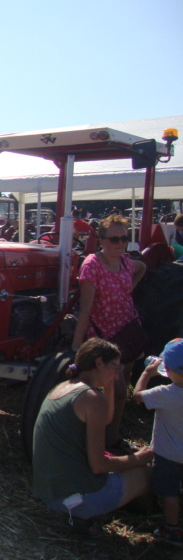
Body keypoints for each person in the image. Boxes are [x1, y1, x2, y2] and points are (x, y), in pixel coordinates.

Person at [32, 339, 153, 535]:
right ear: (98, 363)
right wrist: (138, 458)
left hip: (50, 492)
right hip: (74, 499)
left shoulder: (65, 386)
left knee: (128, 464)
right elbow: (99, 465)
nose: (117, 373)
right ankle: (157, 526)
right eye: (115, 367)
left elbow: (105, 420)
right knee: (149, 474)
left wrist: (110, 385)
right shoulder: (91, 399)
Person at [72, 214, 147, 453]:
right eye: (114, 238)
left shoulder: (126, 263)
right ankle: (107, 441)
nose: (120, 243)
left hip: (127, 330)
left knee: (122, 388)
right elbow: (85, 308)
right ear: (102, 240)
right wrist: (76, 346)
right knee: (117, 390)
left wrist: (127, 291)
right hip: (106, 337)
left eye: (124, 238)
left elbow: (143, 267)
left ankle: (111, 437)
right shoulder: (92, 265)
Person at [133, 338, 183, 546]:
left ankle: (171, 530)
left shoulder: (166, 394)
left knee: (169, 493)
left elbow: (137, 396)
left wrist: (146, 374)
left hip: (169, 455)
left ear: (168, 370)